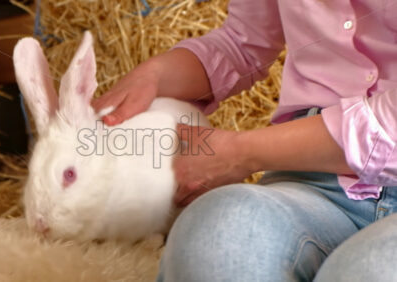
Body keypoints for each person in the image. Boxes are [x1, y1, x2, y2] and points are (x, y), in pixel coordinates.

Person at [92, 0, 397, 281]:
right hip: (309, 179)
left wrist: (239, 153)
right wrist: (155, 74)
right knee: (218, 233)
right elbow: (242, 41)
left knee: (367, 269)